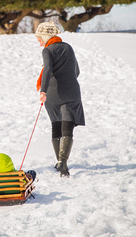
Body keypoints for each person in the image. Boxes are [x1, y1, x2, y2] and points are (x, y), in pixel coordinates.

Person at [35, 21, 85, 177]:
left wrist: (43, 90)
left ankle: (60, 162)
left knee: (56, 124)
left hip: (53, 93)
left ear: (45, 35)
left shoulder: (47, 50)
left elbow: (47, 71)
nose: (38, 41)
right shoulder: (68, 47)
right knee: (67, 125)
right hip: (72, 91)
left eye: (39, 37)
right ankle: (62, 162)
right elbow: (77, 70)